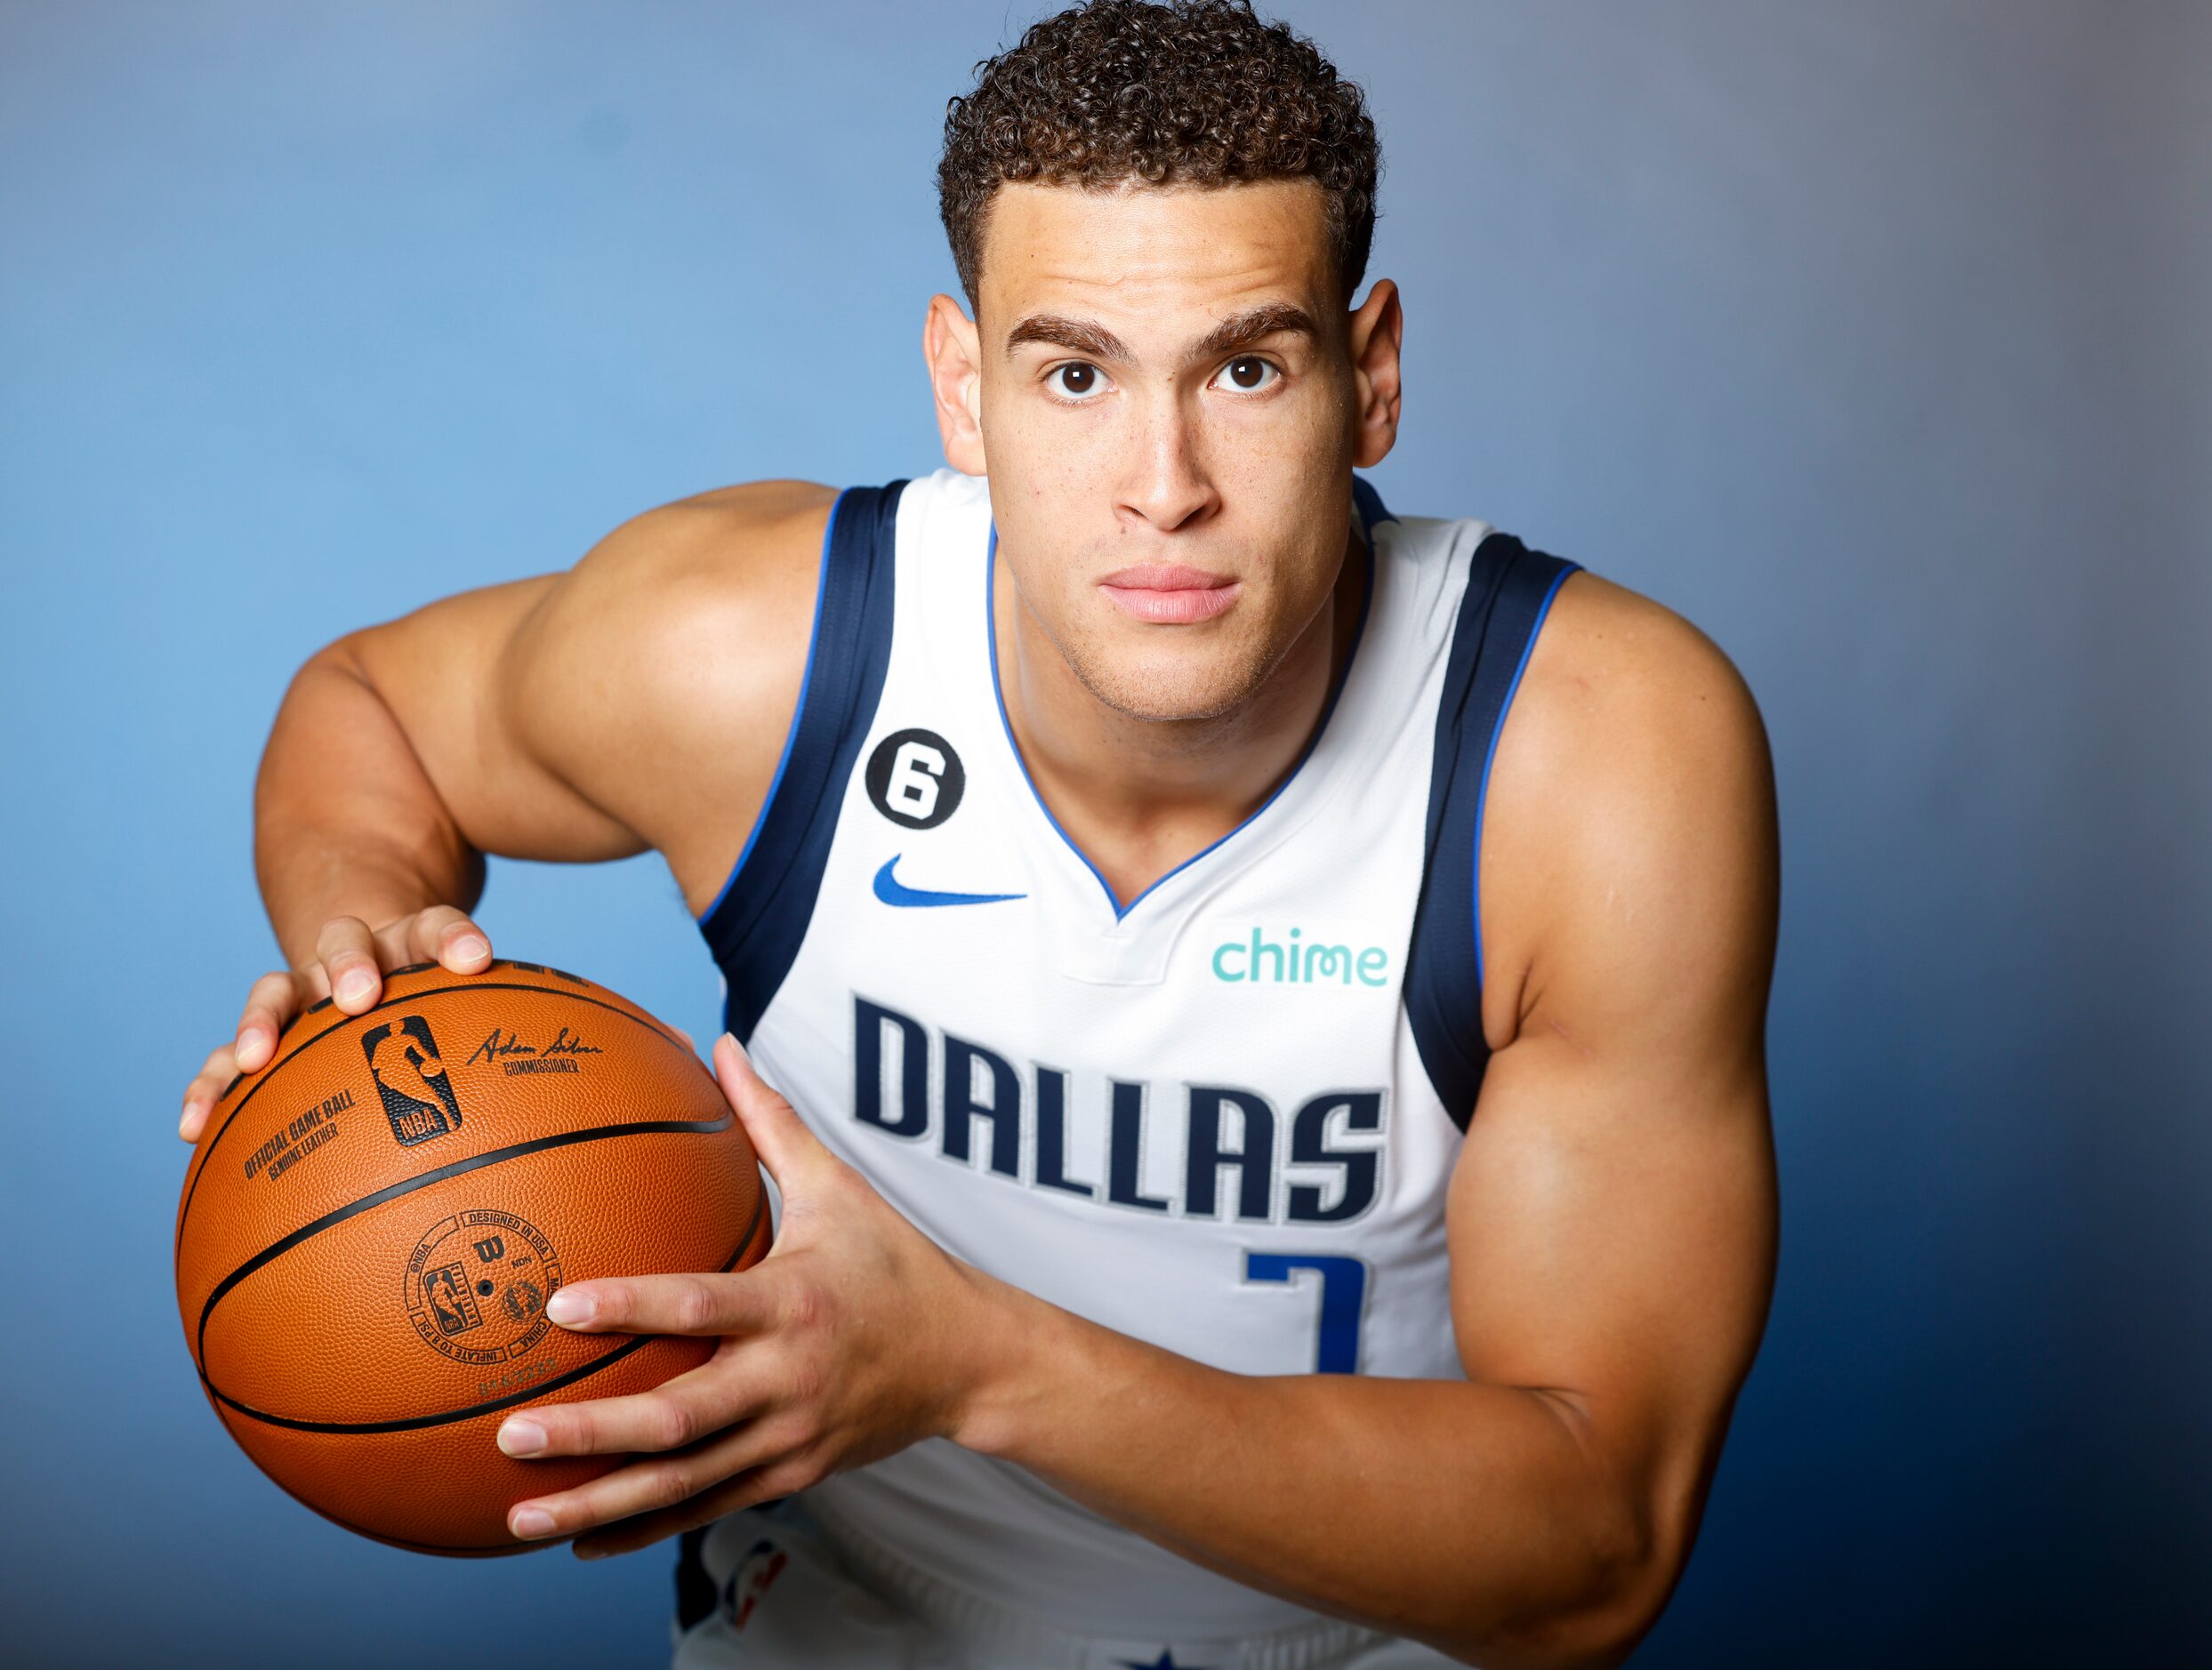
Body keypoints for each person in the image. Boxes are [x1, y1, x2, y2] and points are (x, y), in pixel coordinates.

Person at [177, 3, 1779, 1664]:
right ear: (963, 387)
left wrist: (981, 1362)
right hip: (830, 1621)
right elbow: (366, 707)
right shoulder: (764, 657)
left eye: (1245, 366)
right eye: (1074, 373)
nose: (1164, 484)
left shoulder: (1579, 756)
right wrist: (365, 946)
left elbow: (1599, 1543)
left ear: (1368, 378)